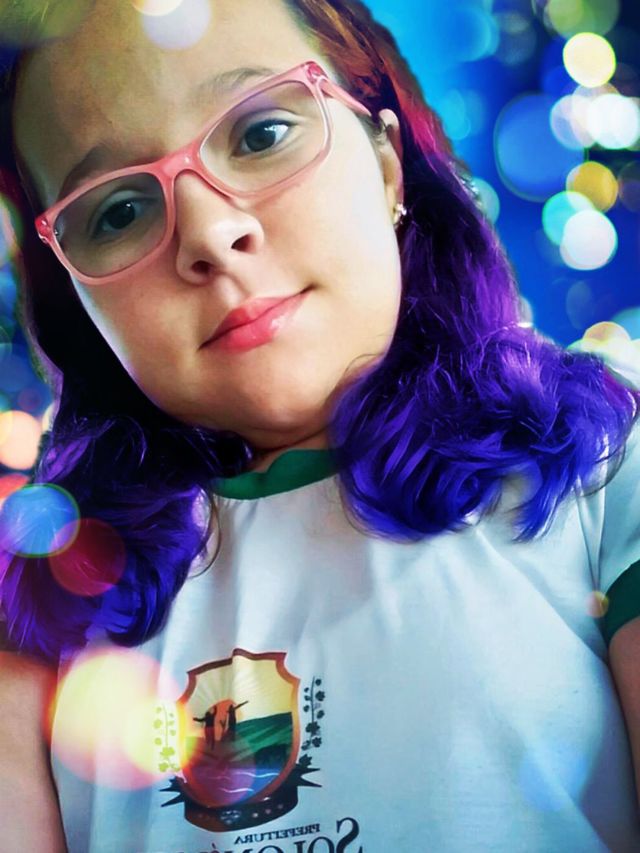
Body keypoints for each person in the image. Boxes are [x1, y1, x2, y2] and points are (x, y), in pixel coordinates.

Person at [0, 0, 639, 850]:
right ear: (77, 303)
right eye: (117, 211)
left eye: (261, 133)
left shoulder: (610, 459)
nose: (212, 233)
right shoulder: (33, 620)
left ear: (386, 164)